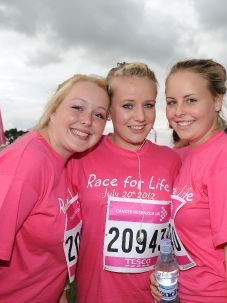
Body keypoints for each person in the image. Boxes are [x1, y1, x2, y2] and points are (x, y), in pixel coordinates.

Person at [0, 74, 110, 303]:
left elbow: (50, 259)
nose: (88, 120)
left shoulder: (64, 162)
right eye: (78, 107)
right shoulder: (25, 164)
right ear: (53, 110)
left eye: (99, 115)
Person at [151, 59, 227, 303]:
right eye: (172, 102)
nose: (178, 111)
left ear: (217, 101)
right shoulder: (189, 155)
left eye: (191, 100)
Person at [68, 62, 181, 303]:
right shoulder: (81, 157)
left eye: (148, 105)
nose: (140, 117)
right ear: (109, 111)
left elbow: (186, 232)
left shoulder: (172, 161)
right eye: (128, 105)